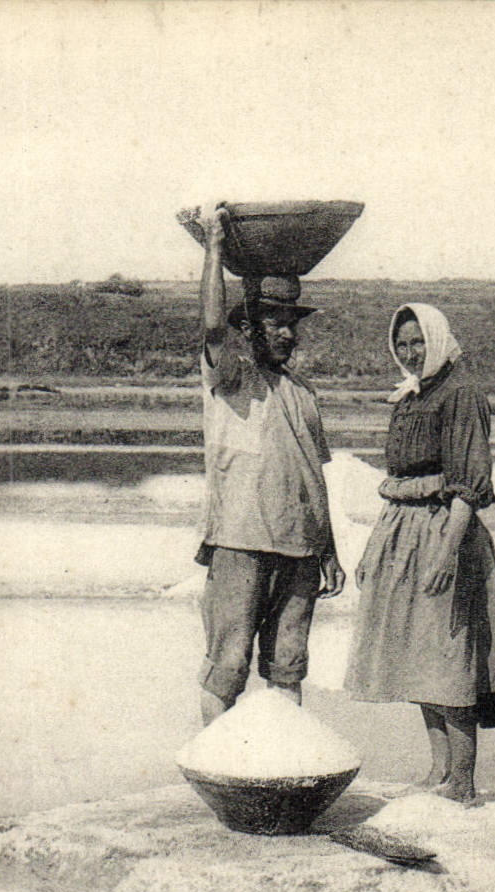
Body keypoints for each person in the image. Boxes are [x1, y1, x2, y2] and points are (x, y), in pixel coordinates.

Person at [344, 303, 495, 803]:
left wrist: (446, 551)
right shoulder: (411, 395)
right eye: (401, 344)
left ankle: (461, 778)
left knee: (448, 655)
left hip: (445, 530)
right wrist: (376, 548)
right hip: (404, 532)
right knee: (420, 656)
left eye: (418, 342)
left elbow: (468, 483)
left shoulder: (461, 393)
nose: (410, 352)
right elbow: (400, 481)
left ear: (437, 340)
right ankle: (439, 769)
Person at [193, 205, 344, 725]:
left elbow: (313, 478)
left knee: (288, 669)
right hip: (241, 542)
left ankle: (285, 763)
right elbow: (211, 324)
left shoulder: (303, 392)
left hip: (300, 550)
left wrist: (328, 550)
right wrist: (215, 248)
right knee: (227, 667)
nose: (286, 333)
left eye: (290, 323)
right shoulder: (231, 377)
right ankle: (215, 762)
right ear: (248, 327)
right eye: (273, 322)